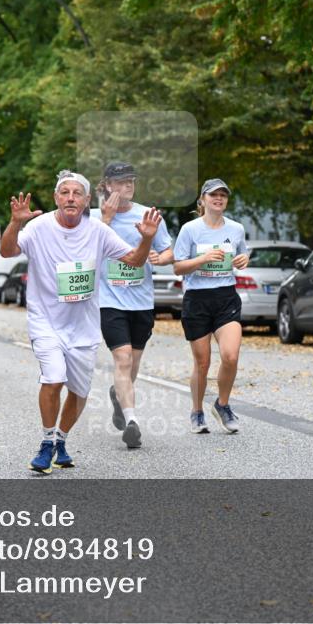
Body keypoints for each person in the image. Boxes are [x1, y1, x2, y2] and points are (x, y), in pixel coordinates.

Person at [0, 170, 161, 474]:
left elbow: (135, 261)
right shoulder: (39, 226)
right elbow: (7, 251)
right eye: (65, 192)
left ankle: (61, 439)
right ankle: (47, 442)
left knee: (79, 391)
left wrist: (147, 239)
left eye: (77, 193)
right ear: (56, 198)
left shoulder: (98, 230)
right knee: (53, 377)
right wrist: (15, 222)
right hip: (45, 320)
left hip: (84, 326)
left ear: (87, 200)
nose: (71, 198)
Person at [90, 162, 174, 449]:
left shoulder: (147, 215)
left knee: (132, 366)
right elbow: (87, 249)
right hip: (109, 300)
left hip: (141, 301)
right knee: (122, 359)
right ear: (107, 186)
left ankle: (118, 394)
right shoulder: (95, 217)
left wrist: (163, 258)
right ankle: (132, 421)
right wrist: (107, 219)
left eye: (131, 181)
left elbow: (168, 249)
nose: (126, 186)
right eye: (120, 181)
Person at [173, 179, 249, 435]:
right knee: (202, 363)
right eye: (213, 195)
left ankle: (223, 404)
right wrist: (203, 259)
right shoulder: (190, 229)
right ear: (202, 200)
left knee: (231, 355)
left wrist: (243, 260)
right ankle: (196, 411)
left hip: (226, 296)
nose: (218, 199)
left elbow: (241, 257)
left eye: (223, 195)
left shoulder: (236, 229)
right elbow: (178, 267)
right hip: (197, 298)